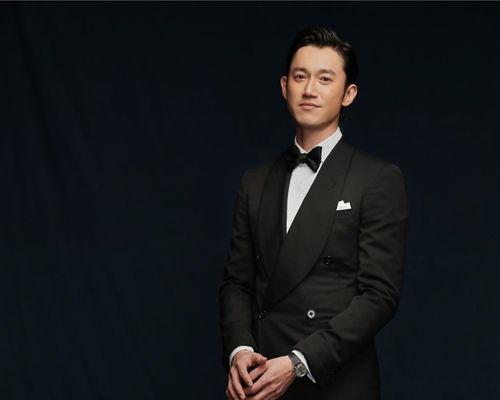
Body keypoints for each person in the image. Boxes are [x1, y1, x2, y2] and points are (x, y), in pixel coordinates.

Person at [219, 26, 408, 400]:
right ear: (284, 86)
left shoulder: (377, 179)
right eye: (300, 77)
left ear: (348, 93)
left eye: (325, 79)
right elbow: (237, 283)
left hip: (336, 381)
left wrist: (298, 362)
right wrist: (239, 350)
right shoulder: (255, 182)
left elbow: (379, 296)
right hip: (259, 380)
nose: (309, 90)